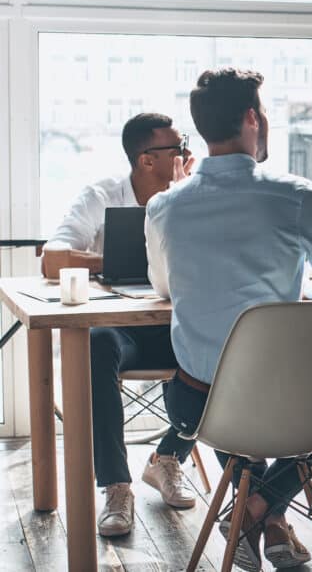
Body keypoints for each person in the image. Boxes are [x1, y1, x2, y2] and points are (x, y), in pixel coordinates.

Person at [146, 68, 312, 572]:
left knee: (241, 412)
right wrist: (301, 307)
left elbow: (163, 289)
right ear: (253, 118)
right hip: (291, 403)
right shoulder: (293, 196)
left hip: (198, 409)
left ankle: (258, 513)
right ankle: (262, 511)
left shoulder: (164, 206)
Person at [41, 113, 198, 537]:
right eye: (178, 147)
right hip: (121, 330)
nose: (188, 153)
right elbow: (52, 258)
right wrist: (111, 261)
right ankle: (116, 484)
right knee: (97, 343)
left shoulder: (192, 195)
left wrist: (188, 197)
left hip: (177, 324)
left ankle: (167, 459)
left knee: (226, 343)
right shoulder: (103, 195)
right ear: (147, 160)